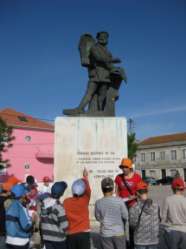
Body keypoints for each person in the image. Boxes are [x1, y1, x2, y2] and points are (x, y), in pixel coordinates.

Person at [63, 31, 123, 115]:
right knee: (89, 93)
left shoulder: (107, 52)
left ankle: (100, 111)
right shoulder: (94, 48)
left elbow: (108, 64)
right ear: (98, 38)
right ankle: (80, 108)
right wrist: (113, 60)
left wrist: (115, 69)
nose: (104, 38)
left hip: (105, 76)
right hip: (96, 75)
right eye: (102, 37)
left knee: (102, 95)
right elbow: (99, 58)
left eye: (105, 37)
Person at [115, 158, 142, 249]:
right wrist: (118, 199)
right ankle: (123, 244)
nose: (123, 169)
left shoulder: (137, 177)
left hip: (133, 204)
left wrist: (134, 197)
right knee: (121, 225)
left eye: (125, 167)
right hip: (122, 204)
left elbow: (141, 191)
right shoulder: (118, 177)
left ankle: (132, 244)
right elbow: (117, 190)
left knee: (131, 225)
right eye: (122, 167)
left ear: (130, 167)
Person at [95, 177, 128, 249]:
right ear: (113, 189)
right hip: (119, 232)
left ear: (102, 189)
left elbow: (98, 218)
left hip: (106, 234)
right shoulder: (119, 201)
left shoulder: (98, 202)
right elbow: (125, 216)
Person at [63, 168, 91, 249]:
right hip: (84, 233)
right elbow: (88, 190)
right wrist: (85, 177)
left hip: (71, 233)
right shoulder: (85, 200)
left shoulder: (66, 202)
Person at [129, 180, 160, 249]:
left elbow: (132, 224)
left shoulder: (134, 207)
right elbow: (159, 221)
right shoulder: (156, 206)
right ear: (147, 191)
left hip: (140, 240)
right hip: (153, 239)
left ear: (137, 193)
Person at [40, 181, 68, 249]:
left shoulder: (43, 203)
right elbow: (65, 225)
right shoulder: (59, 208)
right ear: (62, 193)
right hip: (58, 239)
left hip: (46, 238)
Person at [5, 184, 34, 249]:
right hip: (20, 241)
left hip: (9, 240)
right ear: (22, 195)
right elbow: (26, 226)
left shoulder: (9, 205)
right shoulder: (21, 207)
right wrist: (33, 220)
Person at [161, 177, 186, 249]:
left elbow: (163, 218)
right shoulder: (185, 200)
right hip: (184, 230)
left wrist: (163, 230)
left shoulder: (168, 199)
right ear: (183, 188)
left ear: (172, 188)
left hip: (172, 230)